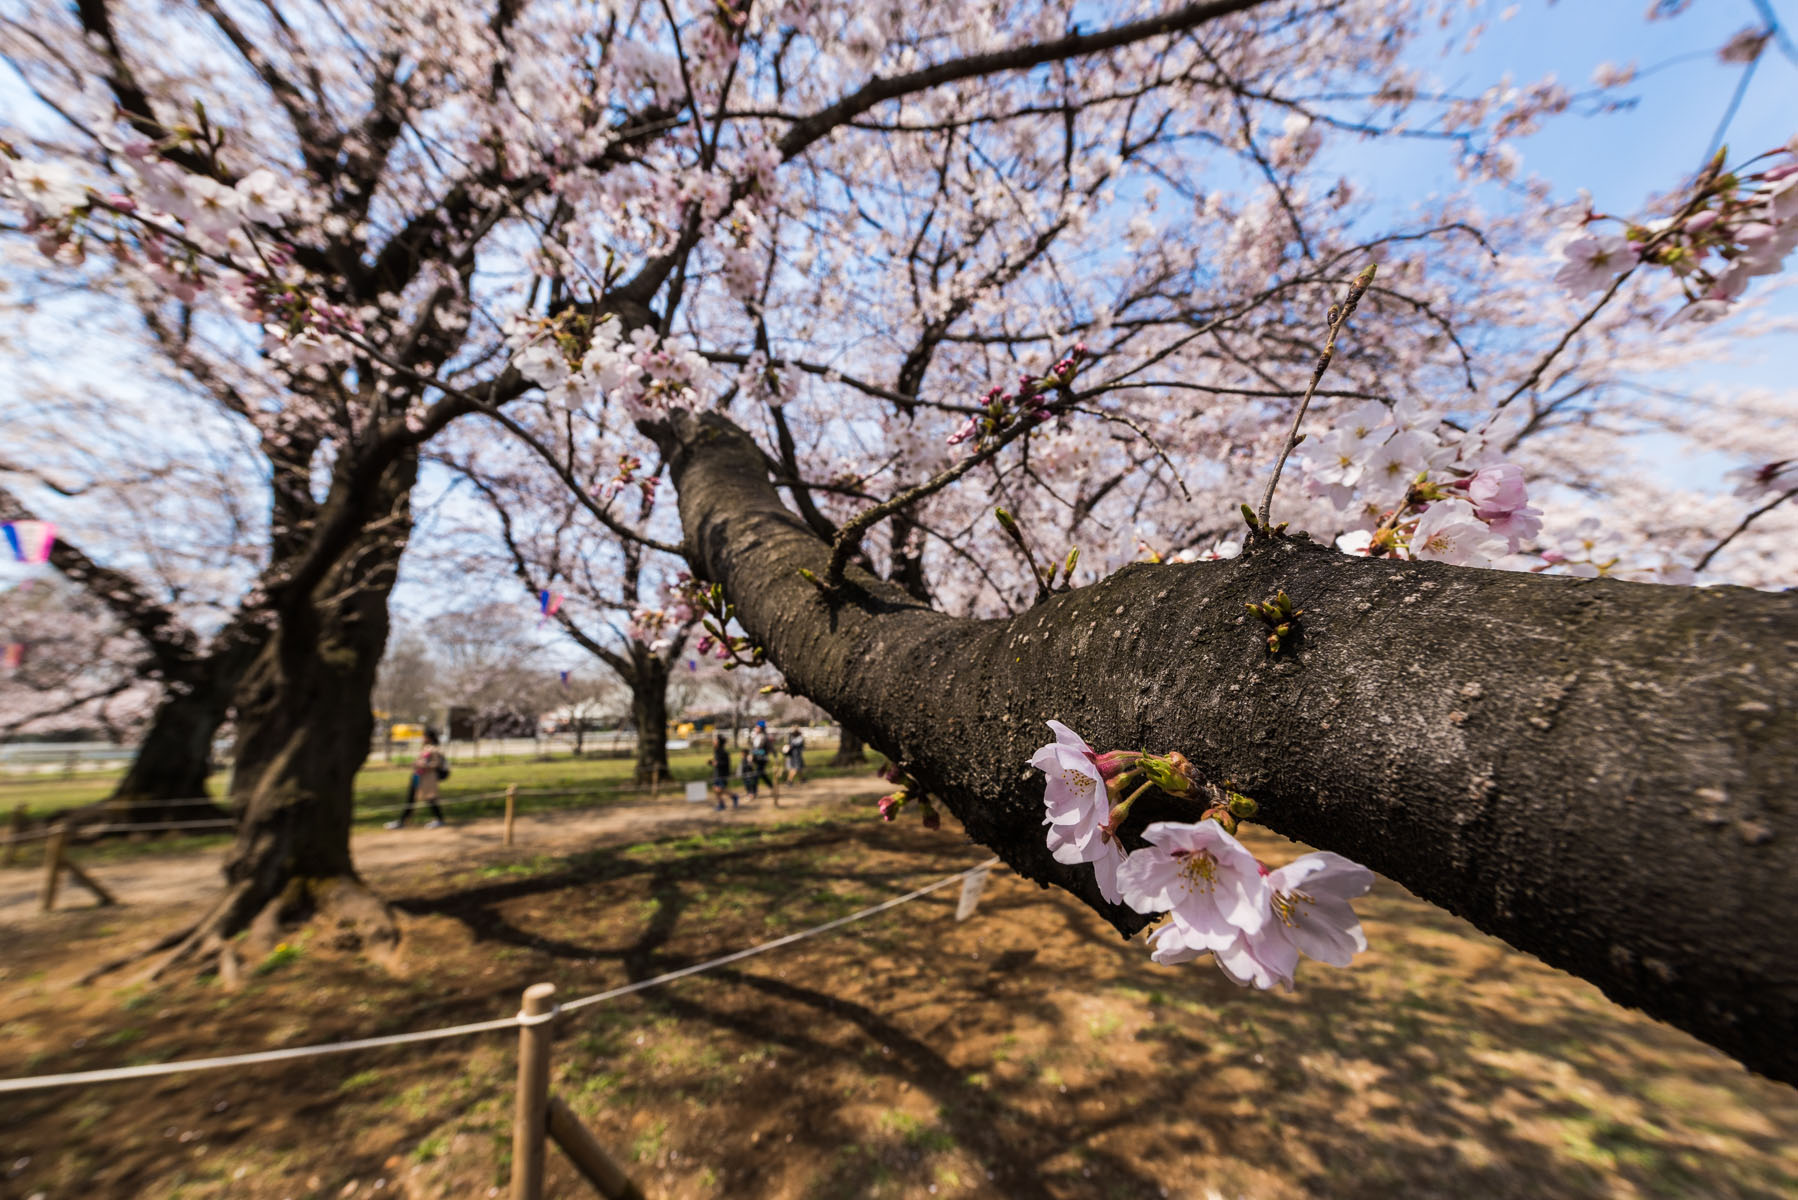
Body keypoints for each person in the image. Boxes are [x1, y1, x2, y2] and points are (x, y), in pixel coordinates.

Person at [386, 730, 447, 829]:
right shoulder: (425, 748)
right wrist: (416, 763)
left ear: (429, 737)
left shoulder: (434, 749)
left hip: (427, 779)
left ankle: (439, 820)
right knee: (411, 798)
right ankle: (402, 821)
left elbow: (437, 764)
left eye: (424, 736)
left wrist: (424, 765)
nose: (422, 738)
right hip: (417, 776)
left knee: (430, 799)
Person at [750, 719, 780, 805]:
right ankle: (773, 788)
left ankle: (753, 793)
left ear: (761, 728)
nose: (756, 728)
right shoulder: (756, 736)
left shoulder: (765, 737)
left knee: (756, 775)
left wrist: (775, 757)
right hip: (756, 759)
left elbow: (767, 750)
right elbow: (754, 748)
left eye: (757, 727)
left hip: (762, 759)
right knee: (762, 775)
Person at [710, 732, 739, 811]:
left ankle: (733, 797)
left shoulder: (723, 752)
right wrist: (713, 763)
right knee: (716, 789)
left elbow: (725, 763)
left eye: (715, 740)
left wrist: (716, 763)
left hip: (722, 774)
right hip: (717, 773)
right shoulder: (717, 751)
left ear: (719, 743)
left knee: (719, 789)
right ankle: (722, 804)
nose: (713, 742)